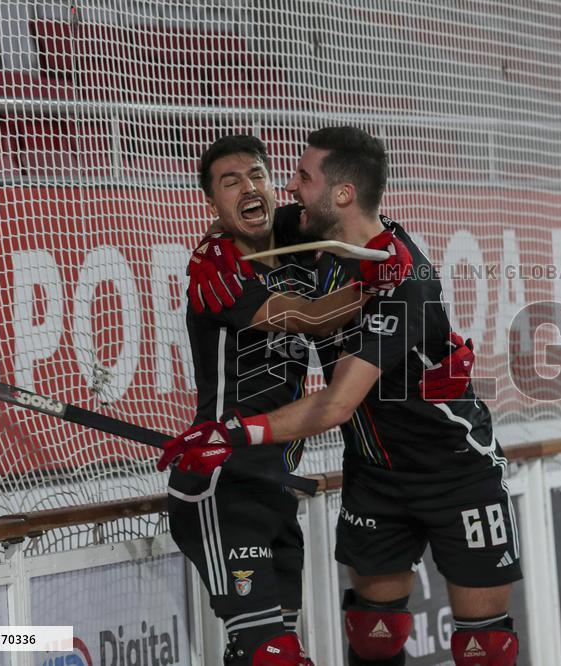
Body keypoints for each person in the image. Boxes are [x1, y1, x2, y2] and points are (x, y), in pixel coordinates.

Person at [165, 126, 522, 666]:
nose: (285, 187)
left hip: (452, 472)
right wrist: (213, 240)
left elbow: (335, 402)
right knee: (370, 637)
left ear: (342, 194)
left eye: (299, 177)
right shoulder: (311, 242)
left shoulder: (404, 278)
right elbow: (252, 222)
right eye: (237, 180)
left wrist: (234, 431)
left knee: (487, 650)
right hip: (371, 478)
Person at [158, 134, 411, 666]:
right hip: (223, 478)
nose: (248, 188)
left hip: (276, 487)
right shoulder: (222, 276)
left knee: (258, 654)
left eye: (257, 175)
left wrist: (390, 248)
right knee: (273, 656)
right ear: (212, 203)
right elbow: (308, 317)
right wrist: (369, 284)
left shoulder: (295, 232)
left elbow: (348, 211)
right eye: (231, 183)